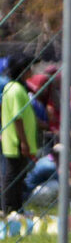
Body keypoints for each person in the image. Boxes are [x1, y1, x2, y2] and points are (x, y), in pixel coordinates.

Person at [1, 54, 37, 214]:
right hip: (16, 141)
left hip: (17, 140)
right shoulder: (15, 90)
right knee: (13, 176)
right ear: (23, 70)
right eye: (30, 68)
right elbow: (17, 118)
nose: (32, 71)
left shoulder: (16, 87)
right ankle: (9, 208)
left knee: (19, 175)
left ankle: (17, 207)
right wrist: (23, 142)